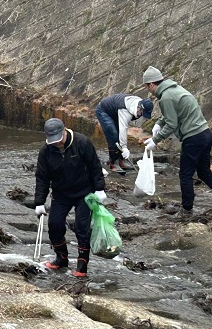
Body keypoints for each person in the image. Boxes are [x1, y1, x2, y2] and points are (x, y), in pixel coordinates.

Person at [141, 66, 212, 217]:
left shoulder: (166, 97)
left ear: (151, 84)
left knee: (185, 175)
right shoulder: (174, 89)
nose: (148, 90)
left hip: (193, 138)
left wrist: (155, 140)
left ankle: (186, 210)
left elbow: (172, 124)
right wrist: (159, 123)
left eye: (146, 86)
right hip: (205, 134)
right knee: (203, 172)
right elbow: (174, 113)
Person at [33, 118, 107, 278]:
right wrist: (39, 202)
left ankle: (82, 264)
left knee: (82, 227)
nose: (57, 143)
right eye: (53, 141)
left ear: (64, 131)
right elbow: (42, 177)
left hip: (84, 193)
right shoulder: (45, 151)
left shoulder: (82, 143)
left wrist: (100, 188)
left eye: (59, 140)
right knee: (55, 224)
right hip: (61, 193)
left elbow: (95, 166)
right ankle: (61, 258)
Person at [95, 92, 154, 174]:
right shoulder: (125, 110)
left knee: (118, 134)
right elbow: (123, 129)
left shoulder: (140, 104)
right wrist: (124, 147)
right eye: (142, 114)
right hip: (104, 111)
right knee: (114, 134)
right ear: (139, 108)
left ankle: (121, 162)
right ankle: (114, 163)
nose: (141, 116)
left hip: (115, 112)